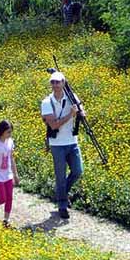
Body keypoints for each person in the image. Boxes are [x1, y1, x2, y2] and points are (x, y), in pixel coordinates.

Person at [41, 71, 83, 219]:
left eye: (58, 82)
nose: (55, 85)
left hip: (72, 142)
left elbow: (82, 113)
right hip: (57, 144)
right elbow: (53, 125)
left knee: (78, 170)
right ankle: (62, 204)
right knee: (60, 175)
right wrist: (70, 115)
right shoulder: (47, 102)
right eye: (53, 82)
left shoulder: (72, 98)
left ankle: (61, 192)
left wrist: (80, 113)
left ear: (64, 83)